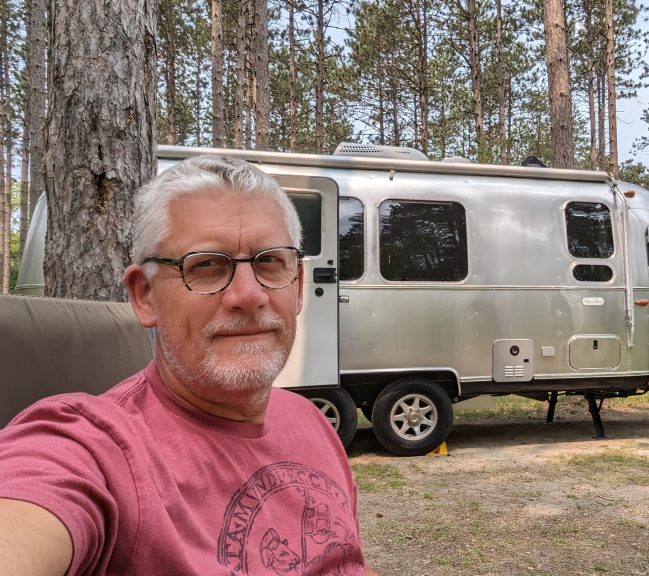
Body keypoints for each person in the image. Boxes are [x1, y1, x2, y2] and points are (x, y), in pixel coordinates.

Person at [0, 156, 376, 575]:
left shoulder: (312, 422)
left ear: (299, 286)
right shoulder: (96, 450)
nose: (249, 295)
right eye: (206, 265)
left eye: (269, 262)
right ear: (145, 296)